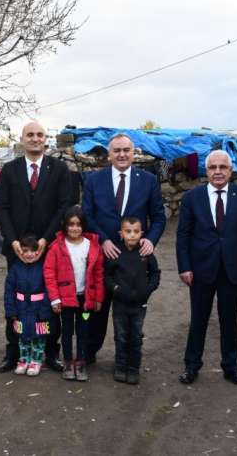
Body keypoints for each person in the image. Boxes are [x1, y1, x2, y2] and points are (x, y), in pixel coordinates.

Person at [176, 149, 237, 386]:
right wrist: (185, 267)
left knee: (229, 320)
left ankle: (231, 367)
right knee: (198, 320)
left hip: (234, 269)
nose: (218, 172)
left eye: (223, 167)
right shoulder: (192, 198)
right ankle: (191, 366)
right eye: (213, 167)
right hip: (201, 270)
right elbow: (183, 235)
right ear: (206, 170)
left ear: (230, 170)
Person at [82, 133, 166, 363]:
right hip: (102, 255)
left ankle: (128, 361)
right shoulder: (93, 180)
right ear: (109, 155)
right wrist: (104, 240)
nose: (121, 154)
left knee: (131, 314)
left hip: (134, 262)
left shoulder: (148, 180)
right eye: (116, 150)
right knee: (97, 309)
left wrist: (150, 239)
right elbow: (87, 215)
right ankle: (88, 355)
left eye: (126, 150)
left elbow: (158, 217)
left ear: (133, 153)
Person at [0, 122, 72, 373]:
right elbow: (2, 207)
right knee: (17, 300)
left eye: (40, 134)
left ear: (46, 139)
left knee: (50, 300)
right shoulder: (9, 170)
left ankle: (50, 351)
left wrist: (45, 240)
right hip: (17, 249)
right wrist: (13, 240)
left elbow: (64, 206)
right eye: (30, 134)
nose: (35, 138)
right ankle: (14, 352)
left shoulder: (59, 169)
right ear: (22, 139)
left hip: (48, 248)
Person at [43, 206, 104, 382]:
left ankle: (81, 362)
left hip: (85, 300)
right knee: (67, 331)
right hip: (66, 301)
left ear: (83, 225)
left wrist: (98, 297)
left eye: (78, 224)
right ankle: (68, 361)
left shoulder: (92, 246)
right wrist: (54, 298)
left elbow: (99, 273)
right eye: (71, 224)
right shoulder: (56, 247)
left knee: (84, 331)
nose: (74, 228)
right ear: (65, 225)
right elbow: (49, 273)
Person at [104, 216, 161, 385]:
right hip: (120, 304)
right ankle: (120, 366)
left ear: (141, 233)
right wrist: (115, 288)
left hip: (139, 305)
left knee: (135, 336)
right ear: (121, 233)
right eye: (128, 232)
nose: (132, 235)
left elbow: (155, 273)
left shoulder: (146, 253)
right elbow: (107, 275)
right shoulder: (116, 253)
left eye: (136, 232)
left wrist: (148, 289)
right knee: (121, 336)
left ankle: (133, 368)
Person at [3, 235, 53, 377]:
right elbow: (9, 290)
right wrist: (11, 310)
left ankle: (36, 361)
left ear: (38, 251)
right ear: (20, 251)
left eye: (33, 251)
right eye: (26, 251)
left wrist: (45, 310)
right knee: (22, 337)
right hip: (21, 309)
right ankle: (23, 360)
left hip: (39, 310)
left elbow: (48, 290)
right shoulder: (15, 268)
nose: (29, 254)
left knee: (39, 337)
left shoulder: (43, 267)